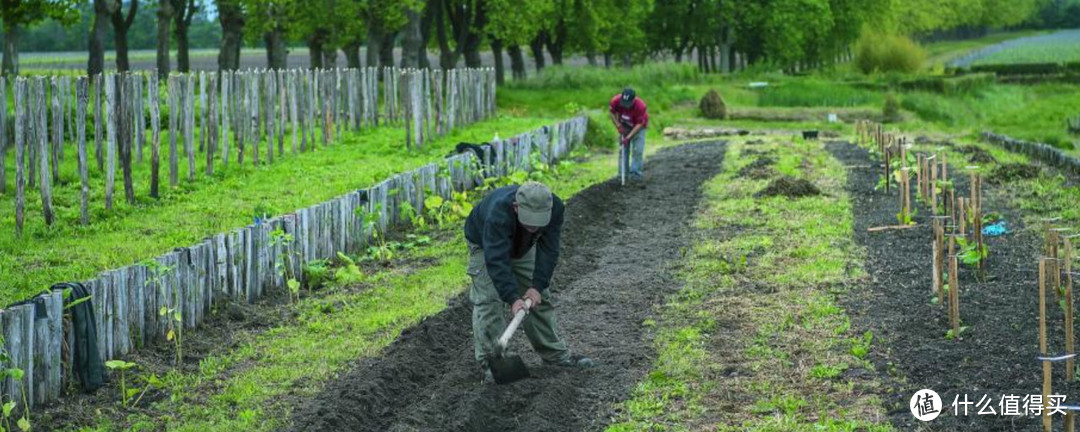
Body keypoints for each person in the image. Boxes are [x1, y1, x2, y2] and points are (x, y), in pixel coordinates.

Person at [463, 181, 595, 383]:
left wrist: (537, 286)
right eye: (529, 221)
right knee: (489, 300)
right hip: (485, 244)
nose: (534, 227)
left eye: (538, 222)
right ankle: (493, 365)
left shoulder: (556, 208)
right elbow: (496, 260)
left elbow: (549, 250)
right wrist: (512, 298)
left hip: (522, 246)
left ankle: (556, 356)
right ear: (516, 207)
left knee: (539, 299)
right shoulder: (498, 213)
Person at [609, 87, 649, 181]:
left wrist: (629, 137)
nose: (625, 106)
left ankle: (636, 174)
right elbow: (611, 113)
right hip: (624, 125)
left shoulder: (641, 106)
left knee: (637, 150)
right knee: (623, 150)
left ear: (633, 100)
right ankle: (622, 174)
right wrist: (618, 125)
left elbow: (640, 124)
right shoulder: (615, 101)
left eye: (628, 104)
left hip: (638, 127)